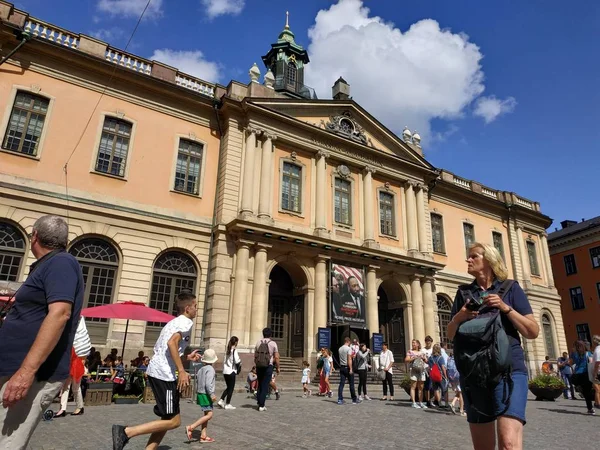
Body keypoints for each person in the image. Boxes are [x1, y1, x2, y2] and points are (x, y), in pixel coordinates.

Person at [0, 215, 84, 450]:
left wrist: (26, 373)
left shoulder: (61, 263)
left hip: (33, 375)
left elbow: (59, 314)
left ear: (34, 236)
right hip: (16, 370)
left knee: (6, 443)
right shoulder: (52, 264)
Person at [448, 242, 539, 450]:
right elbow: (450, 334)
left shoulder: (510, 289)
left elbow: (532, 331)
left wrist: (506, 308)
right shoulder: (463, 293)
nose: (468, 260)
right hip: (475, 374)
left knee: (508, 443)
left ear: (488, 259)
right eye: (468, 256)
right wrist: (459, 317)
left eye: (474, 256)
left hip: (509, 371)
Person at [111, 291, 201, 450]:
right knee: (174, 421)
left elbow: (166, 350)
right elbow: (171, 344)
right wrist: (182, 370)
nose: (197, 310)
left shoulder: (174, 322)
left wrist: (186, 359)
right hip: (164, 374)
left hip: (158, 369)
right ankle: (126, 432)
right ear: (187, 308)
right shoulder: (186, 322)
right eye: (195, 306)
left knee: (167, 418)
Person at [185, 349, 217, 444]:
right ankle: (191, 427)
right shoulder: (210, 370)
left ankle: (203, 435)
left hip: (200, 393)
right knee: (209, 415)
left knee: (206, 415)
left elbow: (198, 381)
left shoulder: (201, 369)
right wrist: (211, 394)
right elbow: (208, 384)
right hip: (206, 394)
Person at [254, 328, 280, 412]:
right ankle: (262, 405)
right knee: (265, 385)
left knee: (260, 384)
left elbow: (255, 355)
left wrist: (257, 364)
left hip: (259, 366)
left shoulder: (258, 343)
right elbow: (276, 357)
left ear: (263, 334)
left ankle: (258, 402)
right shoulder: (273, 343)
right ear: (270, 334)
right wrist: (278, 367)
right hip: (268, 366)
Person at [570, 340, 594, 414]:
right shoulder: (586, 353)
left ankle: (590, 408)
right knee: (588, 391)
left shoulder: (575, 354)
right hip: (583, 374)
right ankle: (591, 407)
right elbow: (591, 362)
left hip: (581, 374)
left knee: (587, 392)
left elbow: (571, 363)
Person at [217, 336, 241, 410]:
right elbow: (237, 361)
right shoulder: (234, 351)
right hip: (231, 371)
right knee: (231, 388)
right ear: (236, 342)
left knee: (228, 387)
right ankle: (228, 404)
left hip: (225, 371)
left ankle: (221, 400)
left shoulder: (227, 351)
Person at [404, 339, 427, 409]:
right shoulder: (410, 352)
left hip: (421, 370)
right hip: (414, 370)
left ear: (418, 344)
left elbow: (426, 361)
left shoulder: (421, 352)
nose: (413, 344)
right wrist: (413, 358)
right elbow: (406, 360)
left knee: (421, 387)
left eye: (414, 343)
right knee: (413, 386)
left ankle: (420, 402)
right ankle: (414, 402)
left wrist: (423, 358)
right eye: (412, 343)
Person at [337, 337, 359, 405]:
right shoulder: (349, 349)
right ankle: (354, 399)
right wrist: (351, 369)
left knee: (341, 384)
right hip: (347, 367)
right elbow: (349, 359)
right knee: (351, 384)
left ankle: (340, 399)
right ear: (348, 342)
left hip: (342, 367)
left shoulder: (340, 349)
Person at [428, 344, 447, 408]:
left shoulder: (430, 358)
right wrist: (446, 376)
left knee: (436, 389)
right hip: (440, 376)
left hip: (433, 376)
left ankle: (439, 402)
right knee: (444, 389)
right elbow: (443, 367)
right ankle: (446, 403)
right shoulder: (440, 358)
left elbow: (429, 366)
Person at [422, 335, 434, 407]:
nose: (428, 343)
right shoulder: (423, 350)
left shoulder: (433, 350)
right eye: (427, 341)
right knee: (427, 386)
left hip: (433, 369)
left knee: (434, 386)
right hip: (426, 369)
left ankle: (435, 400)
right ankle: (428, 400)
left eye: (429, 341)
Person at [592, 335, 600, 408]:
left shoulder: (597, 350)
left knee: (597, 388)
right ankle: (596, 403)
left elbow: (597, 362)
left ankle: (598, 404)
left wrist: (595, 373)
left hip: (598, 372)